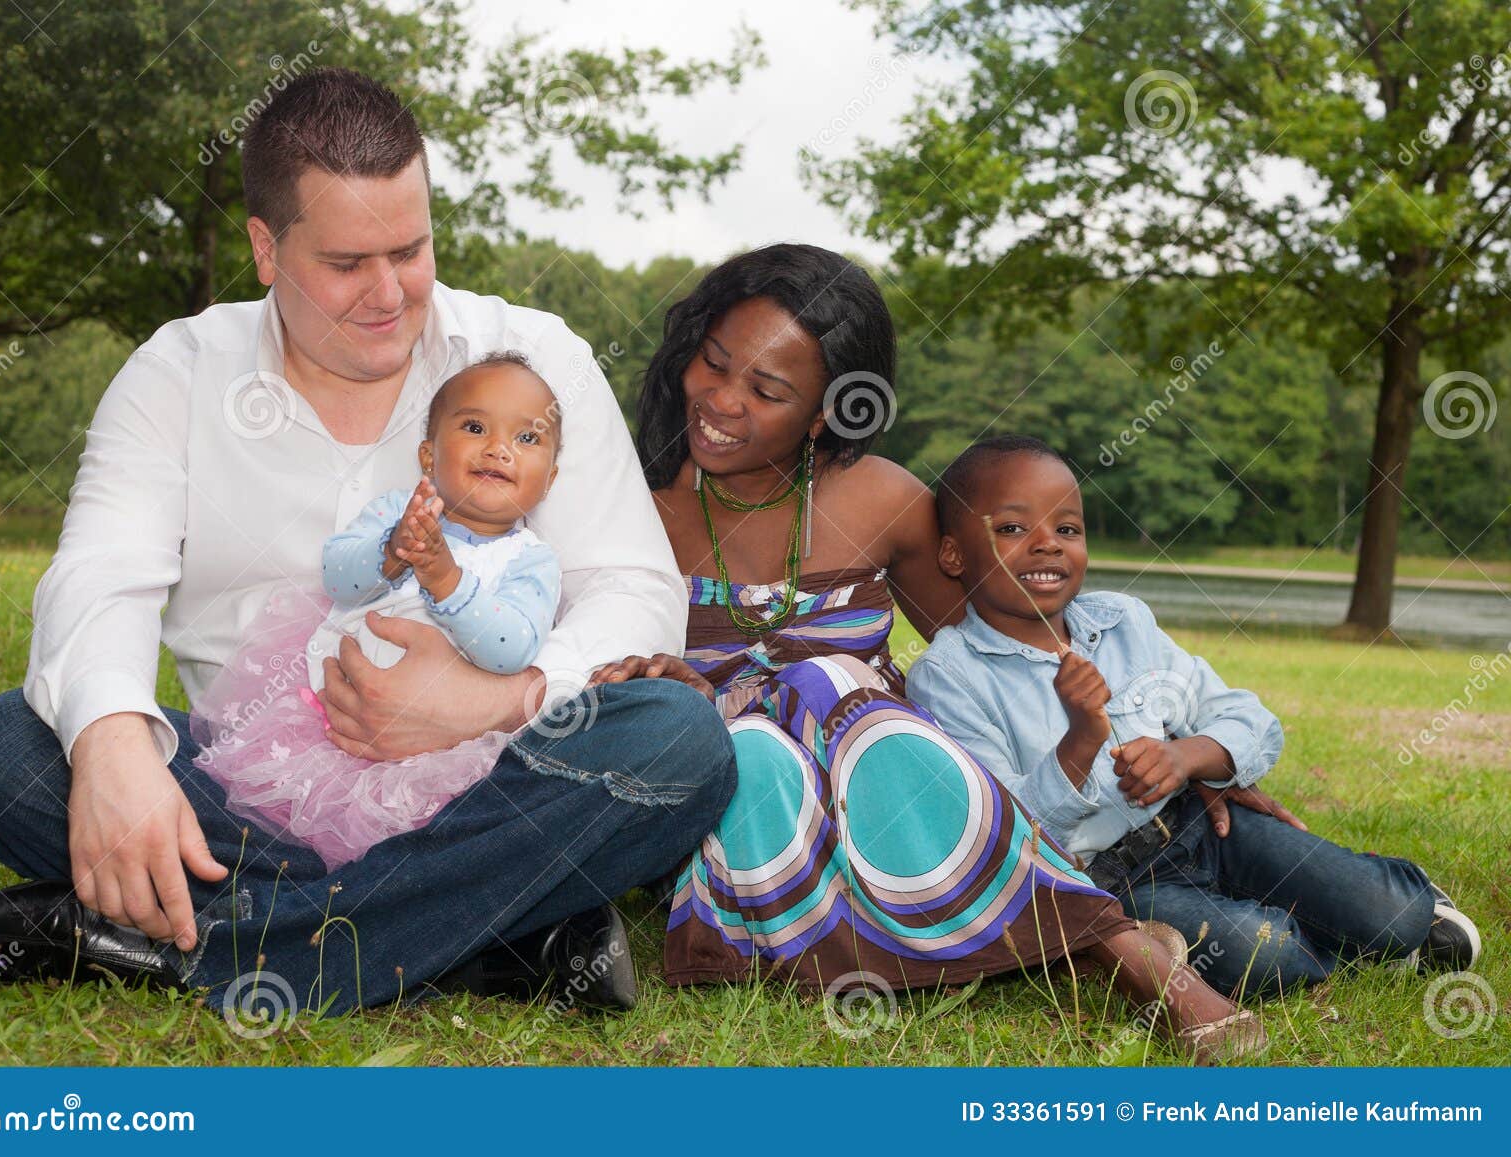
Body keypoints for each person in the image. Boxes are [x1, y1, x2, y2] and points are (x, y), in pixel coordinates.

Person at [0, 67, 735, 1017]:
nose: (389, 293)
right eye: (346, 263)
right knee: (10, 747)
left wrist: (495, 698)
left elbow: (633, 585)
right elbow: (98, 576)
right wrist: (115, 748)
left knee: (681, 741)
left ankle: (190, 948)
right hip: (248, 791)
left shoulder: (532, 361)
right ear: (265, 250)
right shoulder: (178, 371)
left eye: (411, 250)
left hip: (483, 785)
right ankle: (483, 942)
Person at [590, 244, 1266, 1062]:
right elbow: (592, 684)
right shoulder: (630, 507)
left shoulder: (885, 498)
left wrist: (1199, 755)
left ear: (823, 414)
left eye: (766, 390)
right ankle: (1093, 943)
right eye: (714, 363)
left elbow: (1009, 654)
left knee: (841, 687)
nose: (721, 401)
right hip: (736, 798)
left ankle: (1104, 945)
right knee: (775, 718)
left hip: (877, 791)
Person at [905, 434, 1482, 1000]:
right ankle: (1336, 944)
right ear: (953, 554)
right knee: (1270, 951)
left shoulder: (1124, 623)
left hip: (1203, 825)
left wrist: (1187, 757)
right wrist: (1081, 739)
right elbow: (1006, 842)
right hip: (1115, 881)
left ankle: (1387, 911)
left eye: (1067, 528)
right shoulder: (949, 676)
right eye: (1011, 528)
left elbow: (1247, 717)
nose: (1047, 544)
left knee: (1394, 912)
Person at [189, 353, 563, 872]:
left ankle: (390, 894)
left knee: (435, 839)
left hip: (441, 749)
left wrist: (445, 579)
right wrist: (391, 552)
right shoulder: (397, 513)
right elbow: (337, 576)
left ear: (550, 477)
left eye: (528, 438)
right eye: (475, 427)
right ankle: (281, 876)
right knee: (279, 812)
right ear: (428, 456)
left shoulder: (530, 561)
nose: (498, 449)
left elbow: (512, 649)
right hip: (327, 719)